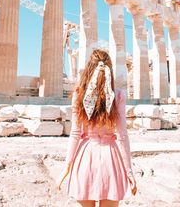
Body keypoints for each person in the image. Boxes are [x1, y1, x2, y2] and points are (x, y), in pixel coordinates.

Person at [56, 49, 137, 206]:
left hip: (85, 157)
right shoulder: (118, 95)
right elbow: (122, 135)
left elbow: (75, 134)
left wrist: (66, 167)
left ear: (88, 70)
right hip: (111, 158)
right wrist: (129, 172)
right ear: (110, 70)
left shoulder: (79, 94)